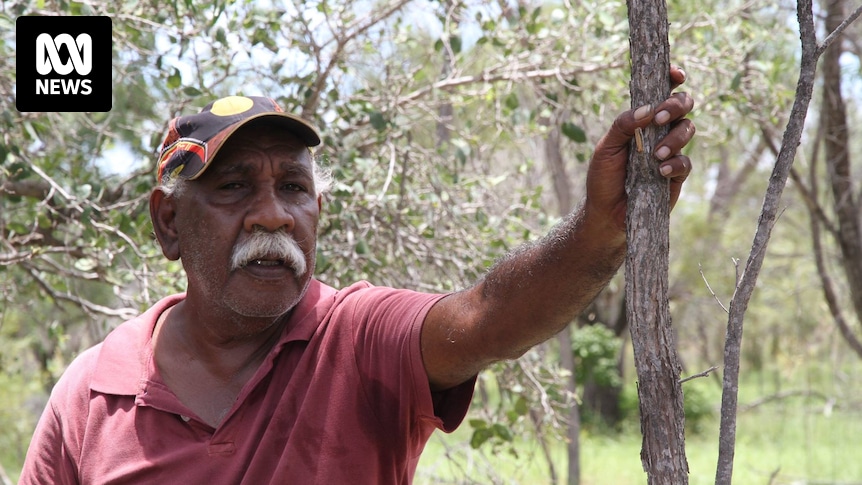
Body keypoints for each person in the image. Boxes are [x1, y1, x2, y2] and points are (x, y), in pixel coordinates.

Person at [19, 68, 694, 484]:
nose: (272, 216)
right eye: (232, 188)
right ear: (168, 222)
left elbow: (489, 317)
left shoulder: (358, 339)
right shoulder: (93, 394)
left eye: (292, 186)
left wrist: (603, 228)